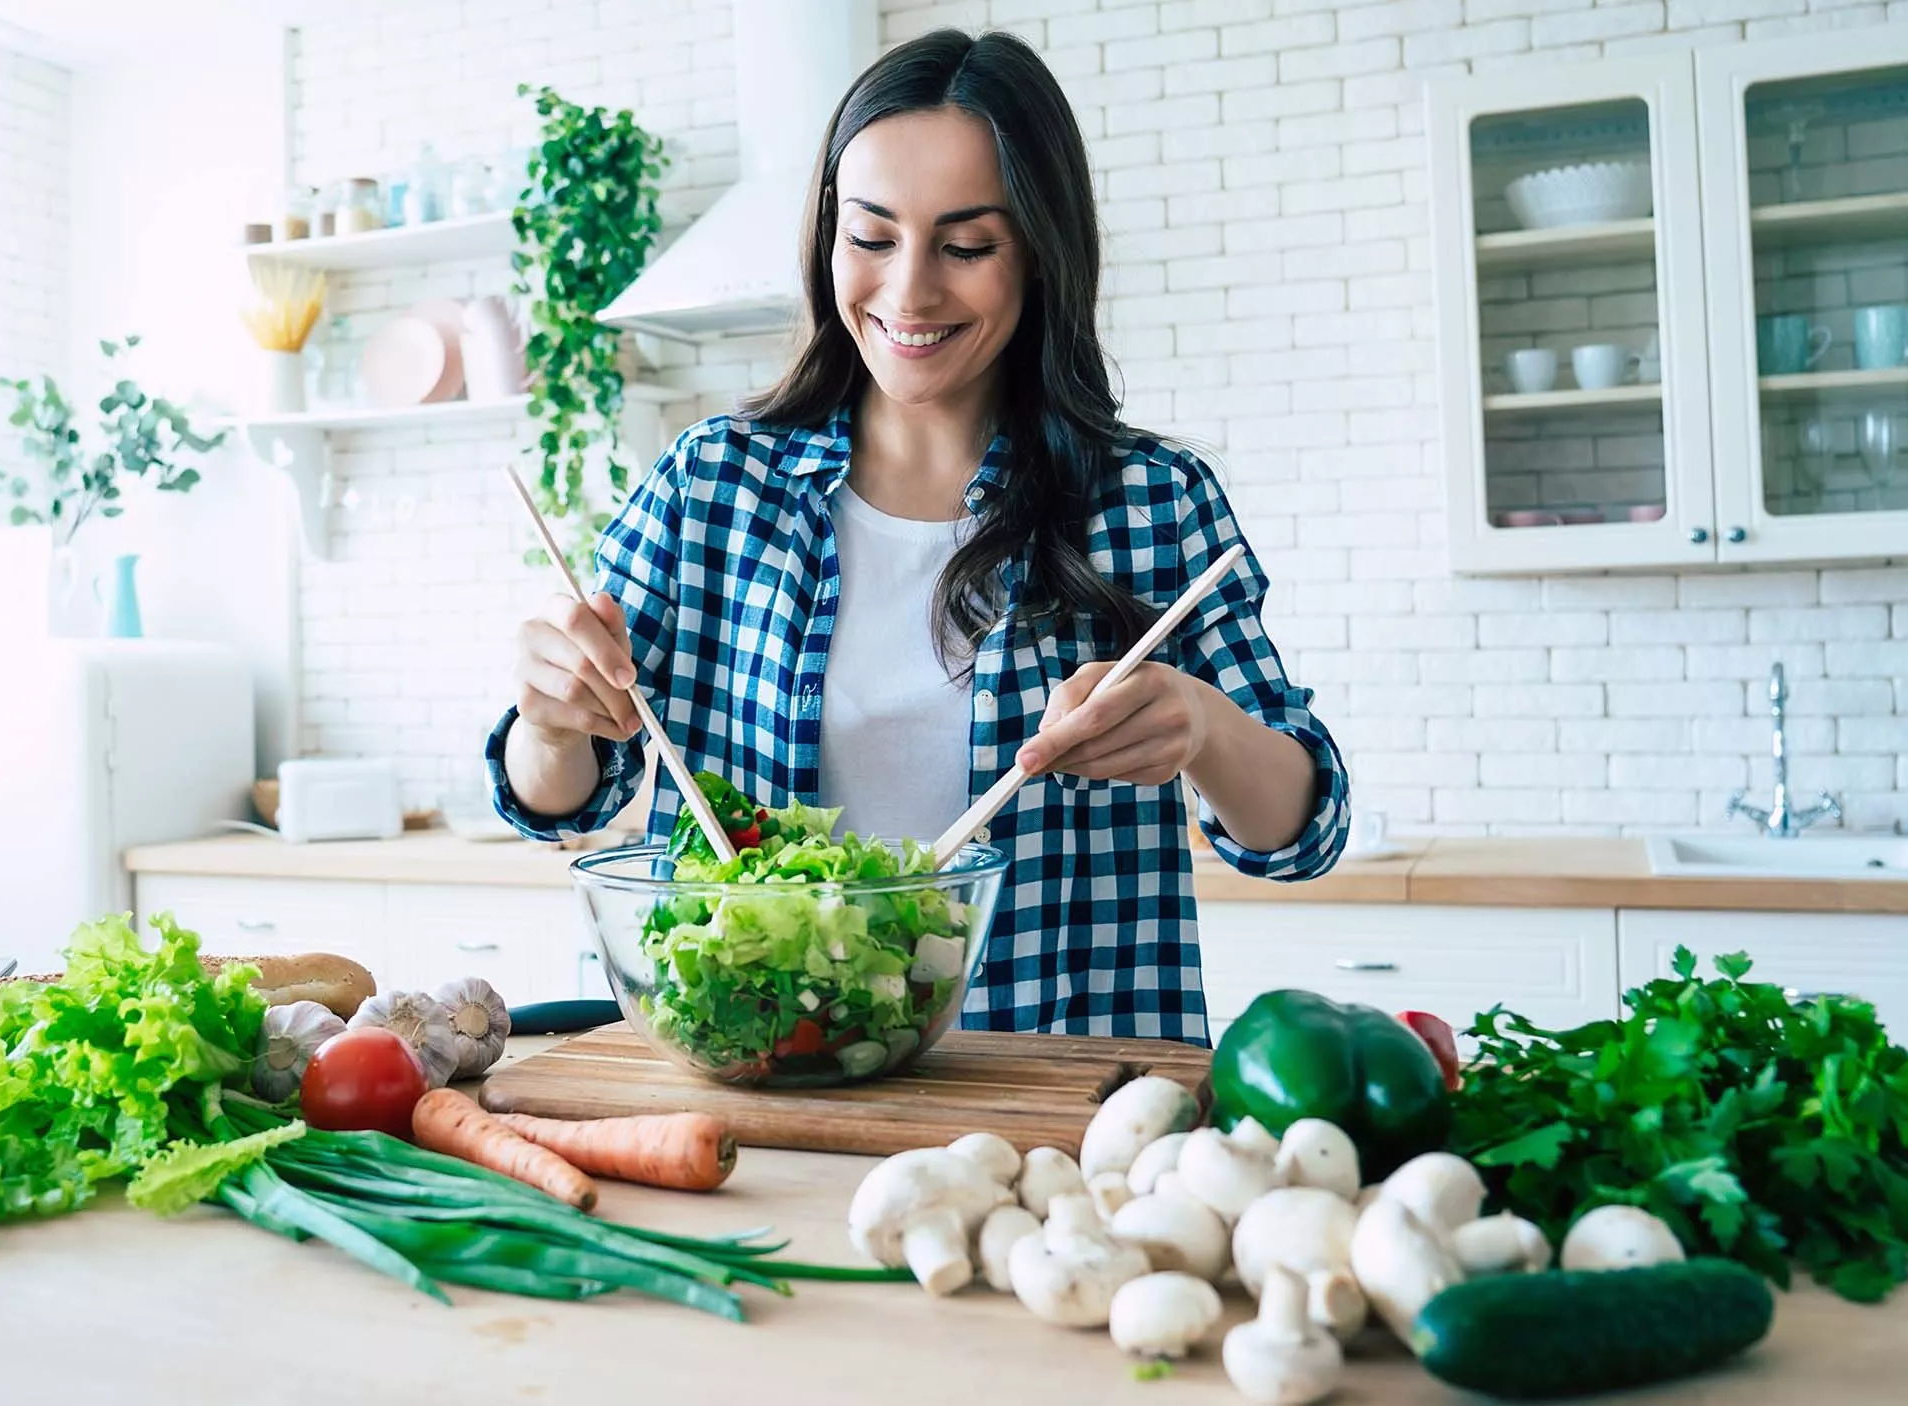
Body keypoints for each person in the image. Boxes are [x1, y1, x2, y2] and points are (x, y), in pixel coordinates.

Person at [483, 29, 1349, 1043]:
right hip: (766, 1082)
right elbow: (565, 804)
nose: (908, 292)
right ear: (828, 238)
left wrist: (1203, 727)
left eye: (966, 246)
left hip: (1057, 1086)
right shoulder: (712, 485)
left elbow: (1302, 832)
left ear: (1041, 252)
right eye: (871, 237)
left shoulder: (1151, 501)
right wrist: (551, 724)